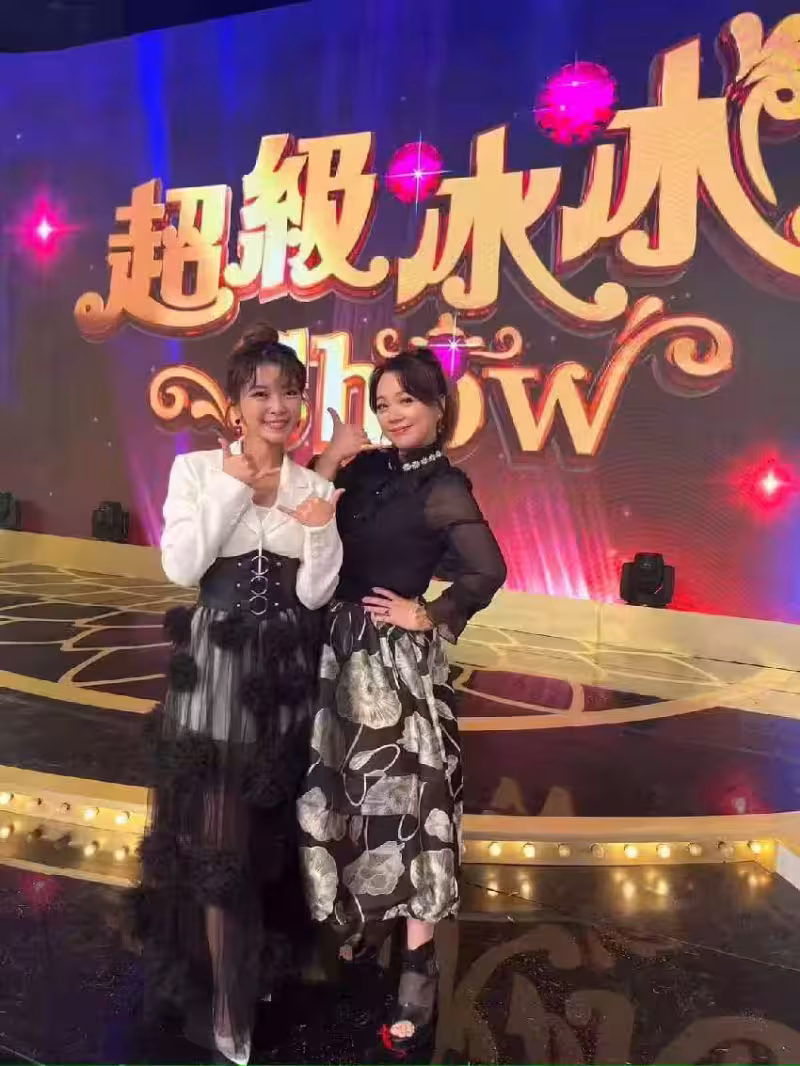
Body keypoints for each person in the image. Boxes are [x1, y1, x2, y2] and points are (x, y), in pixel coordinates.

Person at [137, 323, 343, 1065]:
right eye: (261, 393)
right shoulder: (197, 471)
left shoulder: (313, 485)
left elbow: (317, 592)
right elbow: (182, 566)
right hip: (217, 668)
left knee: (265, 834)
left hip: (283, 674)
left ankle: (256, 974)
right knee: (218, 836)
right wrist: (234, 484)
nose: (277, 406)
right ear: (235, 406)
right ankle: (226, 1008)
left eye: (290, 393)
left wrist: (319, 529)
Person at [298, 347, 507, 1054]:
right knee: (345, 797)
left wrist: (430, 614)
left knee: (412, 807)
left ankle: (417, 969)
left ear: (438, 407)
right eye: (383, 403)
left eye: (406, 401)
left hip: (393, 661)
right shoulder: (365, 469)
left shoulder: (444, 485)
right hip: (334, 649)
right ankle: (362, 919)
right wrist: (334, 454)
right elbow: (305, 512)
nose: (392, 414)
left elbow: (488, 569)